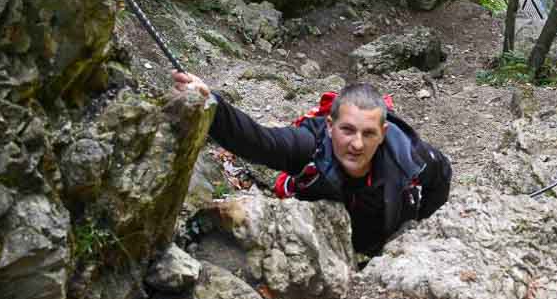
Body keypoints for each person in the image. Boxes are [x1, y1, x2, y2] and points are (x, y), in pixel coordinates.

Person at [172, 71, 452, 256]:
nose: (356, 144)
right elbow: (260, 142)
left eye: (369, 134)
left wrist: (414, 232)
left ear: (384, 133)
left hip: (381, 239)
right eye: (347, 130)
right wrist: (214, 105)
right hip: (324, 240)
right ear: (330, 126)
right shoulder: (311, 147)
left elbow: (442, 175)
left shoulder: (410, 158)